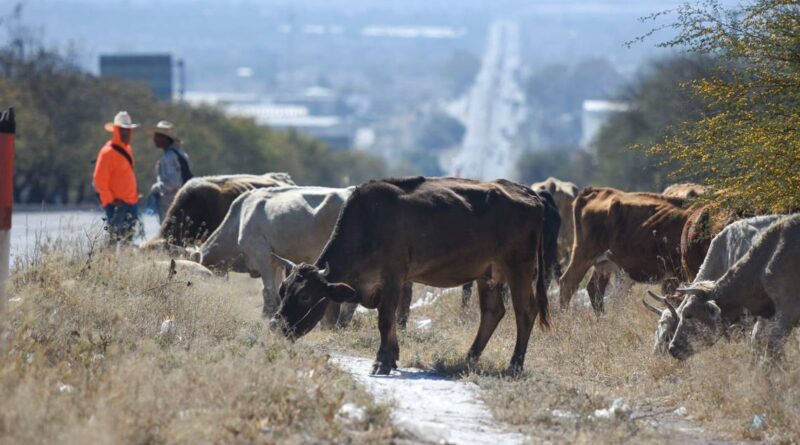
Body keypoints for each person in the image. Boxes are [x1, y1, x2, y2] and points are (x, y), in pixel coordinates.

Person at [93, 111, 141, 245]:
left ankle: (123, 265)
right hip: (117, 205)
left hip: (131, 203)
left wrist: (134, 196)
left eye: (129, 130)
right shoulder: (107, 152)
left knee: (128, 240)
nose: (127, 133)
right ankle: (109, 264)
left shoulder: (128, 149)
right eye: (123, 130)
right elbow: (99, 180)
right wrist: (110, 201)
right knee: (114, 241)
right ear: (115, 131)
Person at [149, 120, 192, 221]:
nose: (154, 139)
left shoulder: (168, 158)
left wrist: (155, 188)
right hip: (185, 202)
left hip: (171, 204)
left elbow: (173, 183)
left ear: (165, 138)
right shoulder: (182, 155)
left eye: (157, 136)